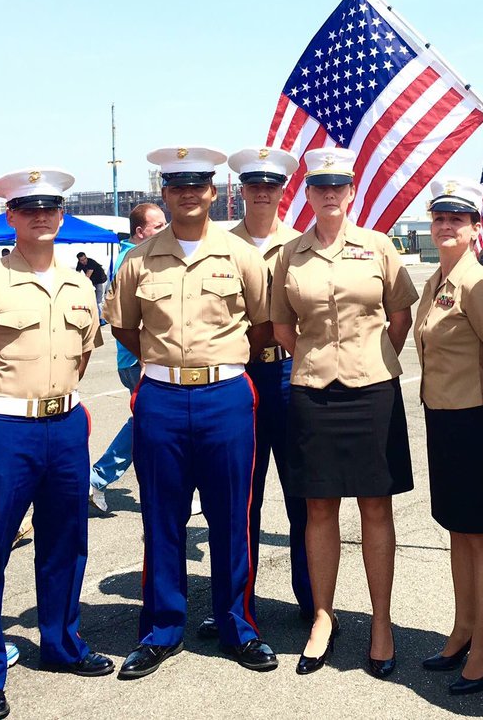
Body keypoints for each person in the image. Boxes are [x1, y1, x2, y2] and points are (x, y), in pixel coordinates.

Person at [0, 168, 114, 720]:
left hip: (66, 426)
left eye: (50, 208)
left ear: (61, 215)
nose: (41, 217)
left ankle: (62, 644)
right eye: (29, 208)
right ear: (10, 216)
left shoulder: (79, 284)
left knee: (66, 542)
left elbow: (84, 353)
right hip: (4, 429)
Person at [105, 146, 277, 679]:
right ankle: (161, 629)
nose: (187, 194)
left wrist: (216, 363)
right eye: (176, 185)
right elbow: (124, 326)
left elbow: (262, 325)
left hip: (225, 396)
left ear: (213, 192)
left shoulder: (240, 255)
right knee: (161, 516)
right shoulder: (138, 260)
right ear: (164, 193)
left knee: (232, 517)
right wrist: (168, 363)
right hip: (161, 398)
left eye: (197, 185)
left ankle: (238, 625)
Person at [271, 146, 418, 678]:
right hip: (313, 392)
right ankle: (323, 617)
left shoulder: (379, 247)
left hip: (373, 391)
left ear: (352, 192)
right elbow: (282, 327)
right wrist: (320, 361)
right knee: (318, 509)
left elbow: (399, 318)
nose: (329, 194)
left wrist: (368, 361)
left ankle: (381, 622)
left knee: (376, 507)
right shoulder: (290, 255)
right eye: (320, 187)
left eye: (339, 186)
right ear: (307, 193)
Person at [413, 178, 483, 696]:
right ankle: (463, 629)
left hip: (479, 420)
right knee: (457, 530)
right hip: (445, 420)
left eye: (457, 219)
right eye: (439, 218)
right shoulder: (438, 280)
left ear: (476, 228)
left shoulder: (478, 283)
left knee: (481, 534)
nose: (446, 226)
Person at [209, 145, 313, 633]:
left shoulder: (302, 245)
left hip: (291, 377)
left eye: (271, 185)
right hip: (241, 376)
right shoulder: (218, 245)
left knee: (303, 496)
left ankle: (314, 602)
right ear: (241, 190)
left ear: (282, 190)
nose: (262, 193)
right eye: (254, 184)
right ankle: (238, 606)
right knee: (240, 499)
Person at [88, 202, 167, 513]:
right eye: (158, 226)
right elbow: (128, 319)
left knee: (152, 425)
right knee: (149, 424)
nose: (165, 229)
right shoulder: (133, 259)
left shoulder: (142, 255)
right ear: (140, 231)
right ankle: (97, 478)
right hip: (139, 360)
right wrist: (146, 357)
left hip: (141, 358)